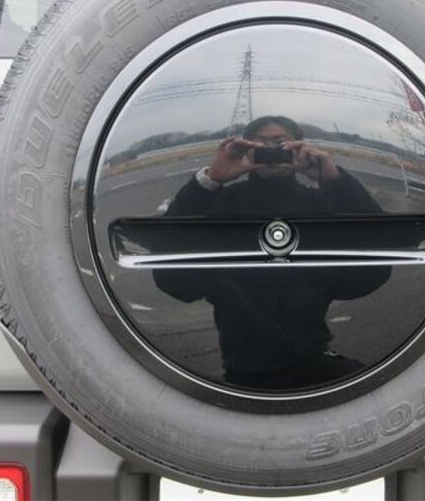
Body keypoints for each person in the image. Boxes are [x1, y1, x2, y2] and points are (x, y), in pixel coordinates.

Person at [153, 116, 391, 390]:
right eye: (262, 144)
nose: (272, 151)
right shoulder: (222, 204)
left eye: (281, 144)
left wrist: (335, 181)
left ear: (299, 149)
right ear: (246, 149)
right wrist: (210, 180)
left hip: (314, 358)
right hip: (245, 371)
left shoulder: (320, 203)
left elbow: (377, 256)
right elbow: (172, 274)